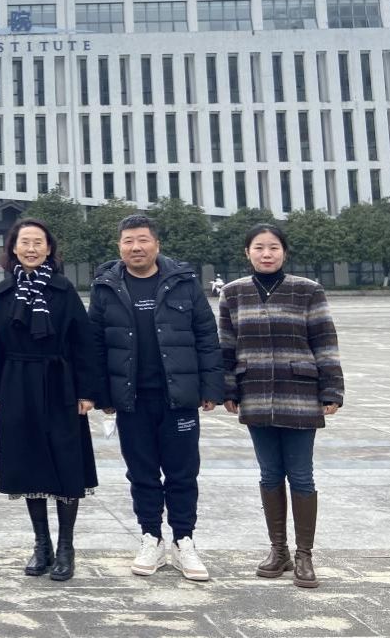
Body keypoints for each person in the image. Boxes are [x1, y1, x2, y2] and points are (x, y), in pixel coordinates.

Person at [90, 213, 224, 582]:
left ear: (156, 244)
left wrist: (211, 388)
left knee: (183, 473)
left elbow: (206, 336)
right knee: (142, 473)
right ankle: (151, 536)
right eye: (129, 241)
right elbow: (95, 345)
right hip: (131, 399)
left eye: (143, 240)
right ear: (120, 246)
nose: (136, 247)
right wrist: (102, 394)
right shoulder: (105, 287)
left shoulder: (183, 282)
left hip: (178, 397)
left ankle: (184, 541)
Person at [218, 224, 345, 588]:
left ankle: (305, 555)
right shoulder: (233, 293)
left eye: (273, 247)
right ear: (247, 252)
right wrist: (228, 388)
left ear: (284, 252)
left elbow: (325, 340)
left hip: (299, 393)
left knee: (301, 474)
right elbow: (226, 346)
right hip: (255, 392)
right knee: (269, 474)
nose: (266, 254)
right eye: (259, 247)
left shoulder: (308, 290)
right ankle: (279, 550)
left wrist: (331, 390)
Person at [0, 218, 101, 581]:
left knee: (67, 463)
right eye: (25, 242)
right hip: (16, 385)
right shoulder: (4, 292)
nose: (32, 248)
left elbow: (83, 342)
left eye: (38, 242)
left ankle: (66, 546)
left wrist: (87, 391)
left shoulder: (64, 290)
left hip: (59, 382)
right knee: (28, 462)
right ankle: (42, 544)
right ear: (14, 248)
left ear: (49, 249)